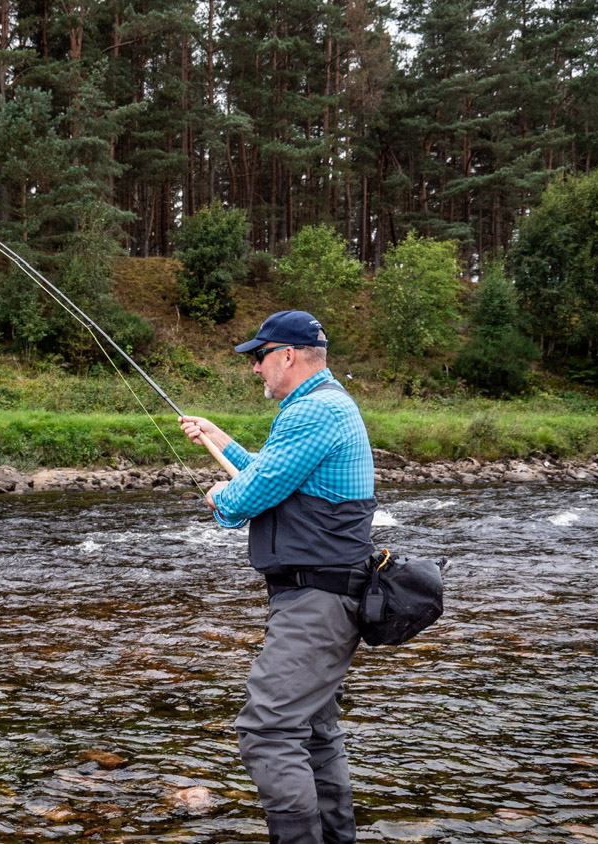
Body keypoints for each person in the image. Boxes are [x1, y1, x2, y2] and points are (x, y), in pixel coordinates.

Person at [178, 309, 377, 844]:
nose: (255, 370)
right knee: (312, 732)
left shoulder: (313, 412)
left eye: (260, 357)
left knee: (266, 730)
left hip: (318, 601)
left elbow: (247, 498)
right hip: (326, 596)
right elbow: (276, 475)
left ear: (287, 355)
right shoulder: (325, 407)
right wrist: (220, 439)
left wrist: (220, 498)